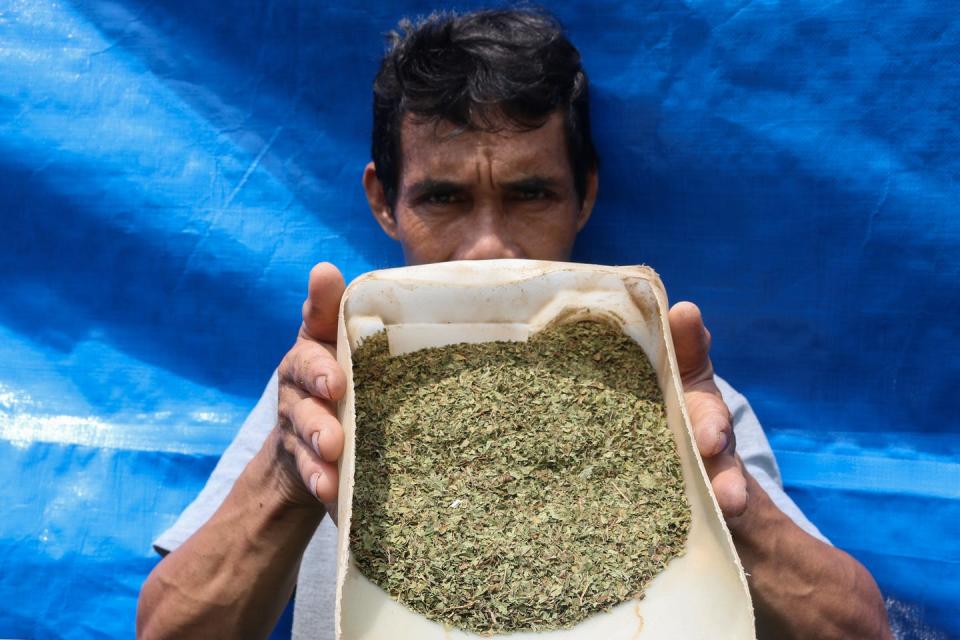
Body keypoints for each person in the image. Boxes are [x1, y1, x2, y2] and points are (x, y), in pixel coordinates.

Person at [137, 9, 891, 640]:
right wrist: (285, 478)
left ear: (585, 197)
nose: (490, 246)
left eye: (532, 195)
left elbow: (860, 628)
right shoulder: (321, 398)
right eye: (443, 199)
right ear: (383, 201)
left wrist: (730, 503)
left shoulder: (671, 400)